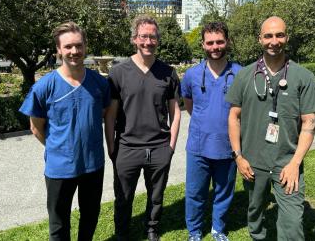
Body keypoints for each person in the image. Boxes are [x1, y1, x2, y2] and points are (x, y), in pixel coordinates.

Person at [226, 16, 315, 240]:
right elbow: (233, 117)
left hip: (287, 164)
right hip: (253, 163)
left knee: (292, 222)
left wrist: (295, 163)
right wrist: (238, 156)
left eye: (279, 35)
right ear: (260, 39)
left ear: (286, 37)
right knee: (255, 213)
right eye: (269, 35)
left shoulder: (303, 77)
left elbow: (310, 123)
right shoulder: (245, 75)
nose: (274, 40)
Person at [19, 21, 110, 241]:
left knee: (90, 216)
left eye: (78, 46)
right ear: (59, 50)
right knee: (58, 223)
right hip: (59, 167)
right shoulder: (45, 86)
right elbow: (36, 127)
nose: (74, 51)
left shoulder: (99, 83)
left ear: (85, 46)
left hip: (93, 164)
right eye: (68, 47)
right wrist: (59, 147)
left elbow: (105, 113)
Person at [105, 15, 181, 241]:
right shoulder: (118, 72)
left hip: (159, 148)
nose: (148, 41)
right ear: (134, 39)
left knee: (156, 196)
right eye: (143, 36)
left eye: (152, 37)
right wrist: (111, 148)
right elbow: (110, 115)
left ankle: (152, 229)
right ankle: (122, 233)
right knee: (123, 197)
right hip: (127, 148)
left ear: (158, 40)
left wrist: (171, 147)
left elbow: (175, 112)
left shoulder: (168, 73)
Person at [181, 22, 242, 241]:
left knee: (223, 192)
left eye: (219, 41)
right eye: (210, 42)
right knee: (195, 193)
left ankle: (218, 228)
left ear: (227, 42)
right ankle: (195, 231)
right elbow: (188, 103)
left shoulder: (240, 73)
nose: (215, 46)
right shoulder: (192, 75)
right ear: (203, 44)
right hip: (198, 145)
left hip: (227, 146)